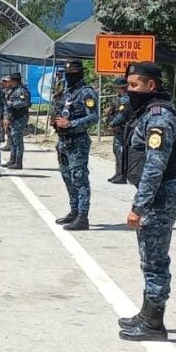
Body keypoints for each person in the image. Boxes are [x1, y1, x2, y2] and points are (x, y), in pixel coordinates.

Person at [117, 62, 176, 342]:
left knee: (154, 260)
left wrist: (139, 206)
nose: (129, 90)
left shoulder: (158, 117)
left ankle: (154, 324)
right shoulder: (148, 113)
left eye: (134, 85)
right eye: (128, 84)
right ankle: (147, 314)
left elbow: (154, 167)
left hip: (161, 196)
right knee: (149, 258)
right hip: (160, 194)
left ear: (151, 86)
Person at [51, 60, 99, 230]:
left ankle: (83, 217)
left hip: (78, 141)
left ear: (80, 74)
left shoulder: (87, 93)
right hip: (63, 141)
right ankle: (74, 211)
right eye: (68, 74)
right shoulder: (67, 92)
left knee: (80, 179)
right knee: (67, 177)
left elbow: (93, 117)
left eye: (73, 74)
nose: (69, 77)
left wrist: (70, 124)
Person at [4, 71, 31, 170]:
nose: (9, 82)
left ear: (14, 81)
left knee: (17, 141)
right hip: (12, 117)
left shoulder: (21, 91)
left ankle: (18, 162)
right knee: (13, 139)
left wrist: (11, 104)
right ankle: (12, 160)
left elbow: (24, 103)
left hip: (19, 117)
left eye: (10, 80)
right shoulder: (12, 90)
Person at [107, 76, 131, 183]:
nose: (116, 89)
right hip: (119, 130)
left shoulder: (125, 99)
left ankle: (122, 175)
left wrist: (112, 123)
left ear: (122, 88)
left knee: (121, 152)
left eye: (117, 87)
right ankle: (118, 173)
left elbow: (122, 115)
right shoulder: (120, 98)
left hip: (123, 129)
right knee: (117, 151)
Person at [0, 75, 13, 151]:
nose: (3, 83)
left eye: (5, 82)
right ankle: (7, 143)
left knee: (10, 129)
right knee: (6, 128)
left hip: (12, 114)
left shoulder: (14, 91)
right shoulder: (4, 91)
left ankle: (10, 145)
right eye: (3, 82)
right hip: (4, 112)